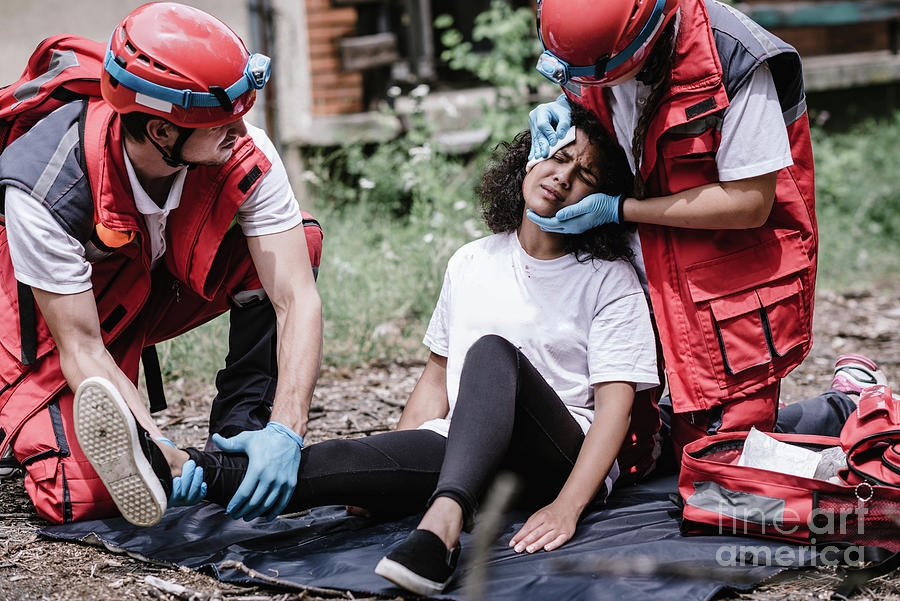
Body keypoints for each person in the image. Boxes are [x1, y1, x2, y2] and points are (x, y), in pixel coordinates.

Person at [73, 102, 660, 596]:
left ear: (599, 197)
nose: (563, 177)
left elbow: (615, 409)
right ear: (529, 156)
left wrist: (568, 508)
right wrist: (384, 467)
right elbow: (435, 379)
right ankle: (177, 469)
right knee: (332, 467)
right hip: (468, 451)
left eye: (584, 175)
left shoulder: (608, 278)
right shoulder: (473, 261)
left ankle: (441, 528)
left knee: (490, 354)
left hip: (552, 458)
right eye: (558, 156)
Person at [0, 3, 322, 526]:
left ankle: (242, 427)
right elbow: (81, 348)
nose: (241, 132)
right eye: (222, 122)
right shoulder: (44, 187)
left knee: (299, 245)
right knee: (77, 494)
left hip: (151, 289)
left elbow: (296, 298)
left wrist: (287, 428)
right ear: (160, 131)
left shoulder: (239, 148)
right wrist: (158, 446)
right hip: (54, 320)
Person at [526, 0, 823, 454]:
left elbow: (749, 204)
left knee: (717, 476)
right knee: (623, 454)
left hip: (727, 292)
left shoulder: (735, 60)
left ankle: (848, 405)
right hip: (637, 272)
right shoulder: (597, 42)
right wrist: (570, 101)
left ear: (647, 43)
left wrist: (620, 210)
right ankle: (837, 404)